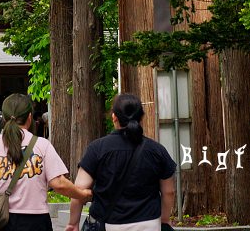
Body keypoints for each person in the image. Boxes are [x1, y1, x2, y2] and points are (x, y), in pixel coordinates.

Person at [0, 93, 90, 231]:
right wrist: (83, 194)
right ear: (30, 117)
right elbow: (59, 184)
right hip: (35, 221)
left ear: (4, 118)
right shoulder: (42, 145)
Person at [66, 93, 177, 231]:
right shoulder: (157, 151)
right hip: (149, 223)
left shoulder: (97, 149)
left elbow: (79, 190)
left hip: (108, 224)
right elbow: (169, 191)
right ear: (141, 117)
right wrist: (164, 220)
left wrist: (73, 223)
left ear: (114, 117)